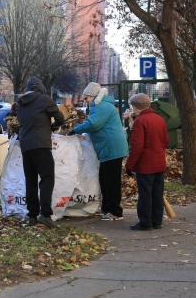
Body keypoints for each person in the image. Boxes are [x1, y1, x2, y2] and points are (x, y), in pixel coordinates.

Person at [68, 83, 129, 221]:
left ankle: (115, 211)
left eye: (87, 98)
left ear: (93, 96)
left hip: (111, 147)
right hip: (110, 147)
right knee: (105, 179)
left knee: (111, 181)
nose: (86, 101)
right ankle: (108, 209)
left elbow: (94, 124)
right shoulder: (102, 105)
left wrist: (75, 130)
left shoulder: (101, 106)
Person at [15, 77, 64, 228]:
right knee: (47, 178)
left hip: (26, 146)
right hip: (41, 145)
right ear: (40, 88)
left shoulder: (20, 102)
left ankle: (32, 216)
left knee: (30, 181)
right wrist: (53, 126)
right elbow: (60, 118)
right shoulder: (45, 99)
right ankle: (46, 214)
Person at [124, 93, 169, 231]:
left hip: (145, 165)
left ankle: (145, 222)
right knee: (157, 193)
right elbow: (166, 141)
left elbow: (137, 146)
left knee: (145, 194)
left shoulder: (140, 121)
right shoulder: (159, 119)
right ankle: (157, 221)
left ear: (136, 107)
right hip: (159, 162)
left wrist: (129, 165)